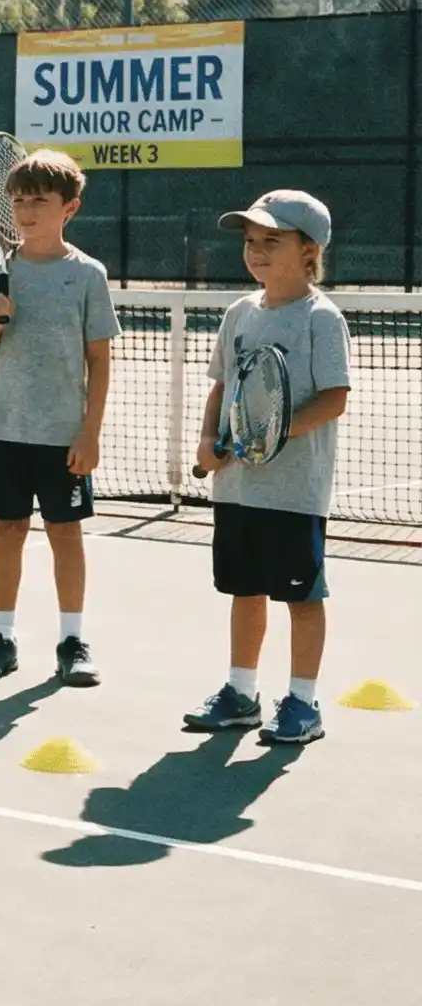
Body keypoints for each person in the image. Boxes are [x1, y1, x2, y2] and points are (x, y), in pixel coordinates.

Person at [184, 190, 354, 747]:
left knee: (302, 601)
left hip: (293, 493)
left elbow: (334, 398)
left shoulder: (321, 319)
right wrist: (208, 440)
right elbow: (221, 386)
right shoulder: (239, 313)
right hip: (237, 489)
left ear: (309, 251)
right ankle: (241, 694)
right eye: (251, 240)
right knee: (245, 591)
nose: (256, 250)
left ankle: (303, 703)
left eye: (271, 240)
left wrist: (272, 432)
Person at [0, 149, 114, 686]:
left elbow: (99, 361)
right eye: (20, 201)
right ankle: (0, 637)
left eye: (40, 201)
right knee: (7, 531)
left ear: (69, 208)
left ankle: (72, 640)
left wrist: (90, 432)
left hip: (63, 436)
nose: (26, 212)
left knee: (64, 535)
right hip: (4, 432)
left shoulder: (88, 275)